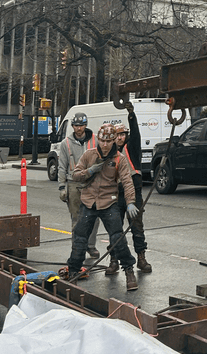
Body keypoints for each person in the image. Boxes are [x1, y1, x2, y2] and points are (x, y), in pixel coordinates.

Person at [66, 123, 139, 292]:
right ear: (98, 139)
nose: (105, 145)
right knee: (80, 239)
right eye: (102, 141)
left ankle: (129, 270)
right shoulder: (88, 155)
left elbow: (127, 183)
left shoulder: (120, 159)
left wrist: (130, 203)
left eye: (109, 141)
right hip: (89, 201)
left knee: (117, 238)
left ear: (114, 141)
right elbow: (76, 175)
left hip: (109, 202)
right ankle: (73, 272)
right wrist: (89, 171)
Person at [106, 106, 152, 276]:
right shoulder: (110, 153)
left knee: (137, 227)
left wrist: (131, 115)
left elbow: (136, 133)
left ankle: (141, 257)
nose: (120, 138)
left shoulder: (131, 149)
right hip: (115, 195)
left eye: (123, 135)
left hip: (134, 194)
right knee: (115, 228)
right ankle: (113, 259)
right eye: (118, 135)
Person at [57, 111, 100, 259]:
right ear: (72, 126)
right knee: (76, 218)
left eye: (81, 125)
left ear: (85, 125)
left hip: (92, 184)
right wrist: (62, 187)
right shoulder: (66, 144)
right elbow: (62, 166)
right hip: (74, 184)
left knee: (94, 217)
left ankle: (90, 246)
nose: (78, 128)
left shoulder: (95, 140)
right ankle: (77, 248)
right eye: (75, 125)